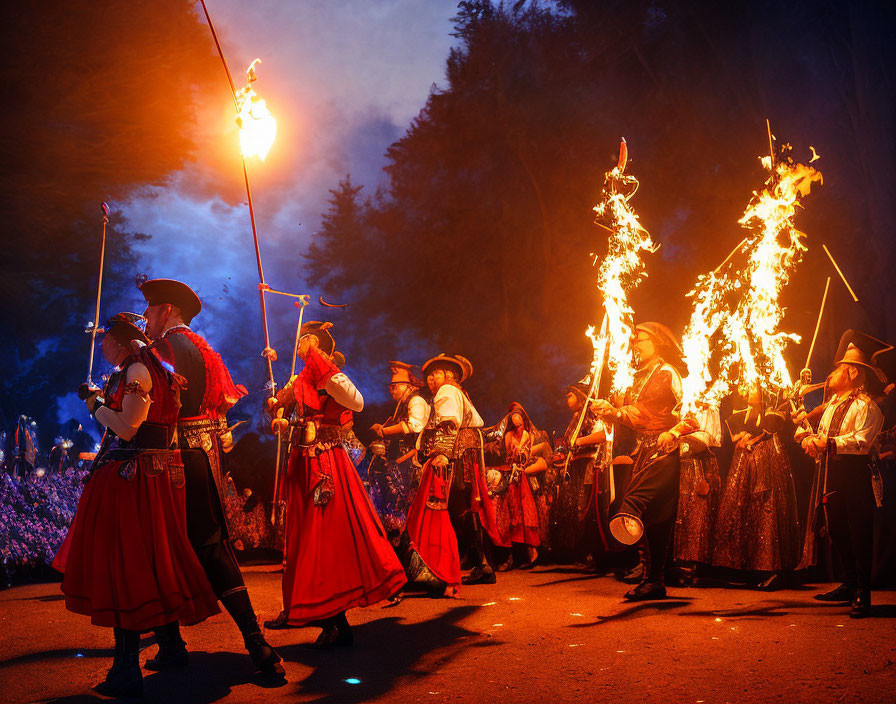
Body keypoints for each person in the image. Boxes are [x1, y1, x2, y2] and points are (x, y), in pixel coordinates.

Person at [53, 314, 220, 698]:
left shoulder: (139, 370)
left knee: (125, 567)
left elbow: (128, 426)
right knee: (151, 562)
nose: (103, 348)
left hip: (134, 478)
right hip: (152, 476)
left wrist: (94, 403)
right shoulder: (153, 371)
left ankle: (126, 668)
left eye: (108, 342)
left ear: (126, 343)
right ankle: (172, 646)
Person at [139, 278, 284, 676]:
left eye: (150, 310)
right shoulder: (205, 352)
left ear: (166, 310)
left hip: (172, 461)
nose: (146, 318)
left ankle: (171, 647)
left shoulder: (161, 349)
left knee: (160, 548)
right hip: (203, 458)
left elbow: (154, 411)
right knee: (212, 547)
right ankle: (258, 646)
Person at [264, 322, 406, 646]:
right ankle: (304, 608)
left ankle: (334, 619)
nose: (299, 346)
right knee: (301, 538)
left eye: (304, 341)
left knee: (324, 537)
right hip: (302, 459)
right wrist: (278, 414)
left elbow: (357, 403)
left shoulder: (332, 375)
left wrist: (322, 370)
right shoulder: (300, 379)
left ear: (315, 342)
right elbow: (288, 408)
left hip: (326, 461)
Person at [592, 322, 697, 601]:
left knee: (633, 502)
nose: (635, 345)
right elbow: (635, 415)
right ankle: (654, 580)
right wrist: (611, 411)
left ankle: (626, 536)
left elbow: (692, 411)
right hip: (644, 449)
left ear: (657, 343)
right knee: (657, 519)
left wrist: (673, 431)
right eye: (634, 340)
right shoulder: (637, 377)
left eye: (641, 340)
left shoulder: (666, 373)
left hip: (665, 450)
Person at [798, 330, 889, 617]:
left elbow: (861, 442)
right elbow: (822, 436)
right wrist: (809, 440)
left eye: (837, 369)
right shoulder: (833, 406)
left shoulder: (868, 407)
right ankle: (849, 583)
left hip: (854, 473)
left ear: (851, 373)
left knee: (858, 531)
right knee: (837, 530)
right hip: (831, 473)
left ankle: (863, 592)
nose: (830, 375)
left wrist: (828, 443)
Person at [404, 354, 501, 590]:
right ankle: (478, 563)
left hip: (458, 455)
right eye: (428, 375)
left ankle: (459, 563)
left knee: (457, 507)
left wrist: (443, 453)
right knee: (465, 508)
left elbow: (449, 424)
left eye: (436, 373)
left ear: (449, 376)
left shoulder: (447, 391)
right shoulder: (456, 391)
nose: (430, 379)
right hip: (465, 453)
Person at [712, 387, 800, 590]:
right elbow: (736, 430)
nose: (748, 390)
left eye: (753, 388)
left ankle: (771, 568)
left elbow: (774, 425)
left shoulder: (775, 401)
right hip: (744, 461)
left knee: (766, 510)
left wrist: (755, 437)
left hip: (768, 459)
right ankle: (742, 566)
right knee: (739, 508)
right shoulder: (741, 409)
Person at [484, 402, 552, 569]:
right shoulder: (508, 436)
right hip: (512, 474)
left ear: (523, 417)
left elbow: (525, 454)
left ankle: (532, 554)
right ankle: (510, 557)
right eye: (513, 416)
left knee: (527, 514)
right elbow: (510, 456)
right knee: (510, 514)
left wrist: (522, 456)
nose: (515, 419)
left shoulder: (529, 435)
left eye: (518, 416)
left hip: (523, 477)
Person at [369, 361, 429, 534]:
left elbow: (414, 426)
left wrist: (384, 432)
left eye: (395, 386)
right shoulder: (401, 405)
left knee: (405, 504)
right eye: (391, 386)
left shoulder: (416, 400)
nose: (392, 390)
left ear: (407, 386)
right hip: (398, 462)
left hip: (410, 463)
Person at [551, 381, 607, 565]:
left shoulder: (589, 413)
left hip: (587, 464)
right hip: (576, 464)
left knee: (584, 507)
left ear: (581, 396)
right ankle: (576, 551)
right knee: (575, 506)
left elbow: (598, 437)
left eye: (570, 395)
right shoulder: (578, 415)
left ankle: (589, 552)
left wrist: (578, 442)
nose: (567, 399)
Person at [673, 403, 722, 584]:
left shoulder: (703, 427)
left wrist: (678, 434)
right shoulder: (676, 425)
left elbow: (704, 443)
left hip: (695, 476)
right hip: (678, 475)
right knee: (679, 520)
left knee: (695, 521)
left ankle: (693, 567)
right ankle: (677, 564)